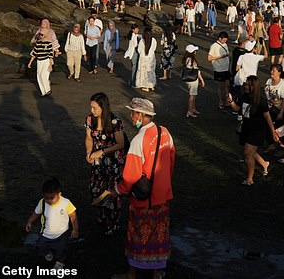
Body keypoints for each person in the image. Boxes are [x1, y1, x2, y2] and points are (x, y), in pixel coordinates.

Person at [117, 98, 175, 279]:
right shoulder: (165, 133)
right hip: (163, 194)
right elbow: (171, 160)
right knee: (159, 234)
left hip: (144, 199)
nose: (131, 116)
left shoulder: (138, 139)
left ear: (141, 115)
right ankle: (157, 272)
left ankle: (132, 274)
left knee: (137, 235)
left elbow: (130, 175)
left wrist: (118, 190)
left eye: (133, 113)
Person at [85, 93, 128, 235]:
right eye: (91, 107)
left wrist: (102, 151)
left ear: (103, 107)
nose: (92, 110)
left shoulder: (114, 121)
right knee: (95, 190)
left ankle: (113, 223)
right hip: (97, 162)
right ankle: (102, 216)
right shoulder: (90, 120)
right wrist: (88, 152)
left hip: (114, 162)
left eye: (95, 108)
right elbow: (89, 139)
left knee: (112, 193)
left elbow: (120, 144)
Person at [228, 76, 277, 185]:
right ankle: (264, 164)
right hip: (246, 127)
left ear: (253, 86)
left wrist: (273, 131)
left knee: (247, 153)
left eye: (247, 85)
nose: (245, 86)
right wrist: (231, 101)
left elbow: (267, 116)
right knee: (251, 152)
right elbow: (237, 109)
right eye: (245, 84)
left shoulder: (261, 99)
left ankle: (250, 179)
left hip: (258, 130)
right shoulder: (244, 96)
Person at [25, 177, 79, 270]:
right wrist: (30, 221)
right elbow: (36, 213)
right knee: (41, 246)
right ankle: (47, 252)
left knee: (61, 250)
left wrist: (75, 229)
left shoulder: (66, 203)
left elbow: (73, 216)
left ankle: (60, 262)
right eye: (46, 198)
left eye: (52, 198)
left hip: (61, 234)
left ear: (59, 194)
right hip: (46, 233)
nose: (49, 200)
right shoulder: (42, 202)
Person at [264, 64, 284, 150]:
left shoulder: (283, 85)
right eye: (271, 70)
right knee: (267, 126)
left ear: (279, 72)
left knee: (280, 131)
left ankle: (282, 147)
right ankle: (271, 144)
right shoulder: (269, 81)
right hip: (269, 109)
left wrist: (281, 113)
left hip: (278, 111)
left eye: (273, 71)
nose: (271, 72)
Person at [208, 31, 231, 110]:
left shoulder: (225, 44)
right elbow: (209, 58)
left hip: (226, 68)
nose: (225, 42)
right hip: (219, 69)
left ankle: (226, 100)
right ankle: (221, 101)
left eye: (226, 40)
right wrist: (221, 57)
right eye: (224, 40)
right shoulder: (214, 46)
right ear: (219, 38)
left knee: (227, 84)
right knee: (221, 86)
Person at [28, 30, 55, 96]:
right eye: (40, 34)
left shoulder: (49, 43)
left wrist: (51, 65)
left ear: (45, 35)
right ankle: (43, 92)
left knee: (44, 75)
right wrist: (30, 62)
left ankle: (48, 90)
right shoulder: (38, 43)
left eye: (42, 35)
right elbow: (34, 53)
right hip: (39, 61)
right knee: (39, 76)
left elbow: (51, 55)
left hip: (46, 61)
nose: (40, 36)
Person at [182, 45, 206, 118]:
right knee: (192, 95)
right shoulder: (192, 60)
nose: (196, 52)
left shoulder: (186, 59)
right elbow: (197, 71)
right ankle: (190, 110)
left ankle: (193, 108)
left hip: (188, 79)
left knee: (193, 95)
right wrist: (202, 80)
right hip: (193, 80)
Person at [135, 27, 157, 92]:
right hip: (151, 58)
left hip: (143, 58)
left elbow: (139, 50)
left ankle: (145, 86)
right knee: (151, 71)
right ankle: (151, 85)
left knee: (143, 72)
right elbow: (154, 48)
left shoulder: (142, 40)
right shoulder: (153, 40)